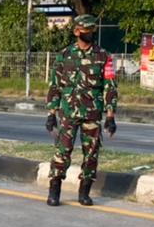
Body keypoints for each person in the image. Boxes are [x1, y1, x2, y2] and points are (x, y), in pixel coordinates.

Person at [44, 14, 118, 207]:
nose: (90, 34)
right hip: (68, 112)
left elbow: (110, 86)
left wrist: (110, 116)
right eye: (86, 31)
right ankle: (54, 190)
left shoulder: (104, 56)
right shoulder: (64, 55)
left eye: (92, 31)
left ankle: (84, 191)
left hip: (92, 113)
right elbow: (55, 86)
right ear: (77, 31)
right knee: (62, 151)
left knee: (91, 153)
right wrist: (51, 113)